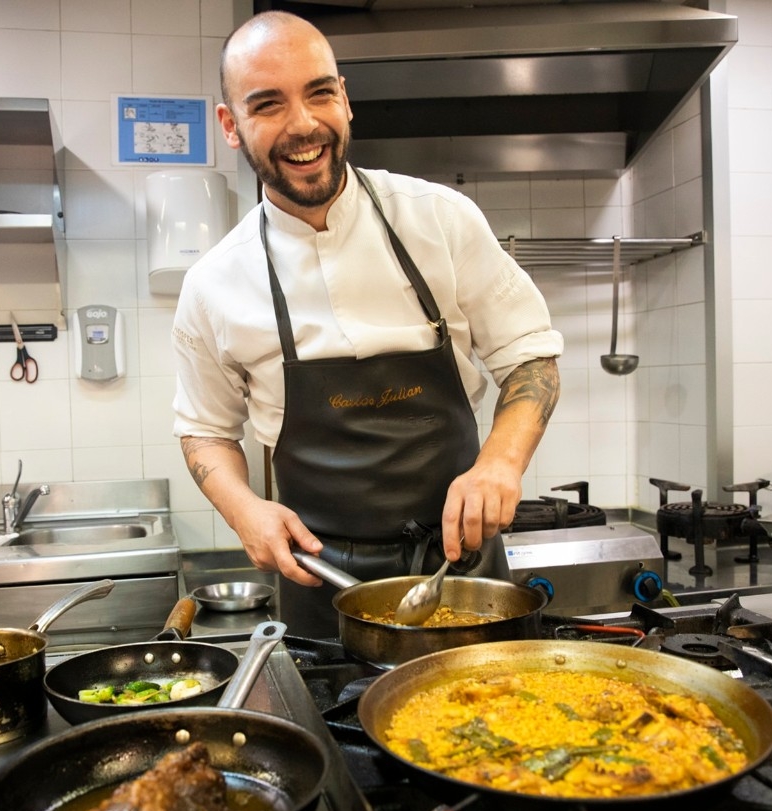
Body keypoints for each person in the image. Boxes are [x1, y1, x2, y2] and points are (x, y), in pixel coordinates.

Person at [172, 10, 563, 637]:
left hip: (459, 565)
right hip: (316, 579)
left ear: (345, 99)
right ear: (231, 125)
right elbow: (204, 430)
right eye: (268, 104)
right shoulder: (214, 283)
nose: (303, 125)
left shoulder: (441, 220)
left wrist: (500, 463)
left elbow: (530, 358)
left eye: (320, 92)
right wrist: (243, 510)